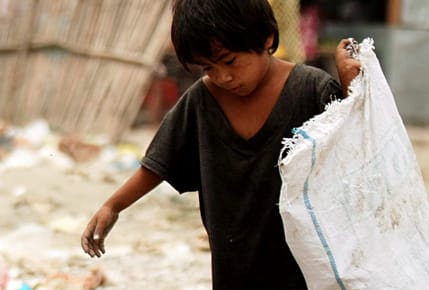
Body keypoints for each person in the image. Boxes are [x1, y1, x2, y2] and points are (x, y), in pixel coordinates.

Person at [81, 0, 360, 289]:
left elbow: (358, 155)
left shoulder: (311, 90)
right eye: (208, 67)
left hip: (306, 271)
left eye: (230, 61)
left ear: (265, 37)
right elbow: (159, 163)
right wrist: (112, 206)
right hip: (233, 270)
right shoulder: (201, 101)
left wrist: (353, 88)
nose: (223, 77)